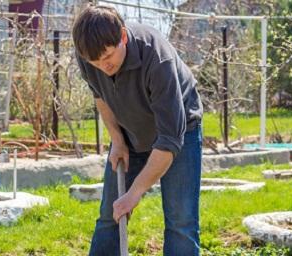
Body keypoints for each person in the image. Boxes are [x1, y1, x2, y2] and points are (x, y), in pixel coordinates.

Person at [72, 4, 203, 255]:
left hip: (178, 133)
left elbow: (169, 140)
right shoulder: (88, 53)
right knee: (110, 215)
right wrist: (117, 141)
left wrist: (134, 193)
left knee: (181, 222)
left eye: (108, 57)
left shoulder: (157, 58)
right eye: (95, 62)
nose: (102, 66)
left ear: (122, 36)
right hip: (129, 133)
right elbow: (100, 95)